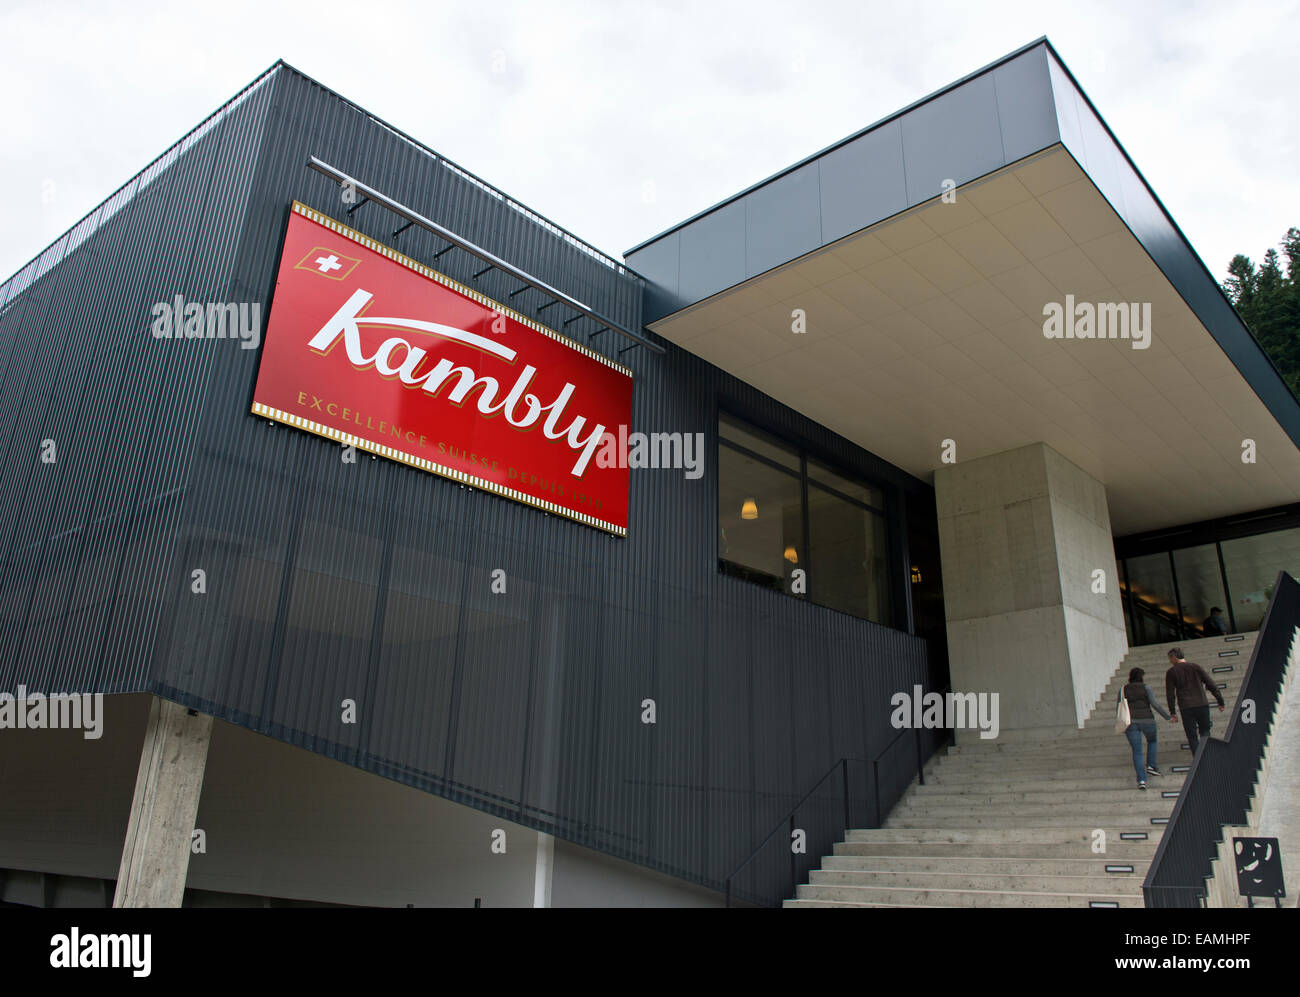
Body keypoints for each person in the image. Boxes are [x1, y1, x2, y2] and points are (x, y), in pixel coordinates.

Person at [1165, 647, 1225, 756]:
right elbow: (1211, 684)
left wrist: (1172, 712)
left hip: (1186, 707)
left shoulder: (1171, 672)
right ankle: (1207, 755)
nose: (1170, 661)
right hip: (1201, 703)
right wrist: (1220, 701)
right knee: (1205, 732)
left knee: (1191, 736)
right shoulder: (1195, 667)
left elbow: (1170, 694)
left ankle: (1197, 759)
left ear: (1174, 657)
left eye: (1170, 659)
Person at [1120, 667, 1171, 790]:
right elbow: (1154, 704)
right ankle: (1152, 766)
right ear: (1141, 677)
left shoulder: (1123, 689)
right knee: (1152, 741)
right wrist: (1167, 717)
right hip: (1147, 720)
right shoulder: (1146, 687)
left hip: (1131, 722)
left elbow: (1119, 705)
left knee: (1137, 751)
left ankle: (1142, 780)